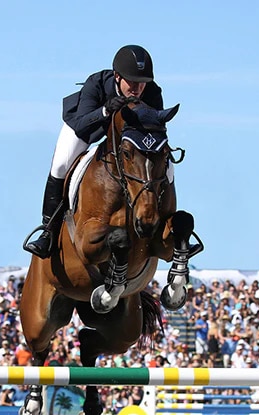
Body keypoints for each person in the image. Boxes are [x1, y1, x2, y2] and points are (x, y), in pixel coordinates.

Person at [25, 44, 164, 258]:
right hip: (87, 126)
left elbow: (154, 130)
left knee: (165, 165)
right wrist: (106, 110)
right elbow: (81, 125)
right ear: (117, 76)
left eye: (143, 83)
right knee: (61, 164)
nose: (138, 88)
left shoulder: (153, 92)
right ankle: (48, 231)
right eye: (132, 82)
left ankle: (163, 225)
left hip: (126, 138)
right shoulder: (96, 84)